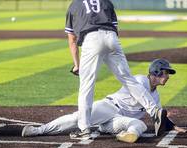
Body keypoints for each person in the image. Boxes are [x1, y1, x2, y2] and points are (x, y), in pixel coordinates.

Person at [22, 59, 187, 143]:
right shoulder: (139, 81)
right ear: (157, 71)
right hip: (108, 107)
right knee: (76, 118)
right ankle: (38, 130)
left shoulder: (156, 97)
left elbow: (158, 115)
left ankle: (124, 135)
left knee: (140, 125)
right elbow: (147, 102)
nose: (168, 76)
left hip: (117, 121)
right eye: (166, 73)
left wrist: (173, 126)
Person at [65, 0, 165, 139]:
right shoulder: (106, 1)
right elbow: (115, 28)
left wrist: (77, 65)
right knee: (128, 79)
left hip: (91, 39)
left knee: (86, 86)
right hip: (112, 38)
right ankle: (154, 111)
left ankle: (84, 129)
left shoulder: (74, 5)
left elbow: (72, 40)